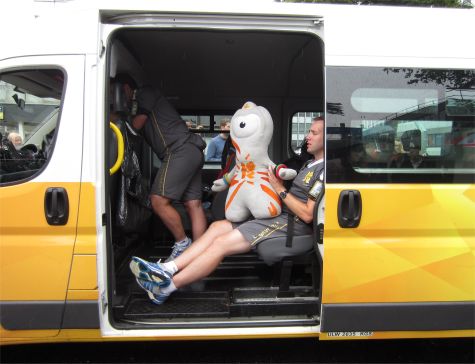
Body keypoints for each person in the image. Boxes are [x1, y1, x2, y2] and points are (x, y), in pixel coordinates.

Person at [129, 116, 325, 304]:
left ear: (326, 138)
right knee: (217, 227)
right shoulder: (309, 164)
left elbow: (308, 213)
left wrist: (280, 189)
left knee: (221, 244)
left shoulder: (323, 171)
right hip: (281, 217)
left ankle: (166, 288)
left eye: (314, 133)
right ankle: (167, 268)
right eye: (309, 131)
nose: (308, 136)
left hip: (294, 225)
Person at [116, 74, 208, 261]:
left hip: (178, 150)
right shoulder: (144, 99)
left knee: (157, 201)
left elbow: (136, 125)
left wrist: (115, 117)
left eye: (115, 91)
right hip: (192, 151)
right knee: (194, 204)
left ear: (125, 88)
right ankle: (200, 254)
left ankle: (183, 244)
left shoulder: (144, 93)